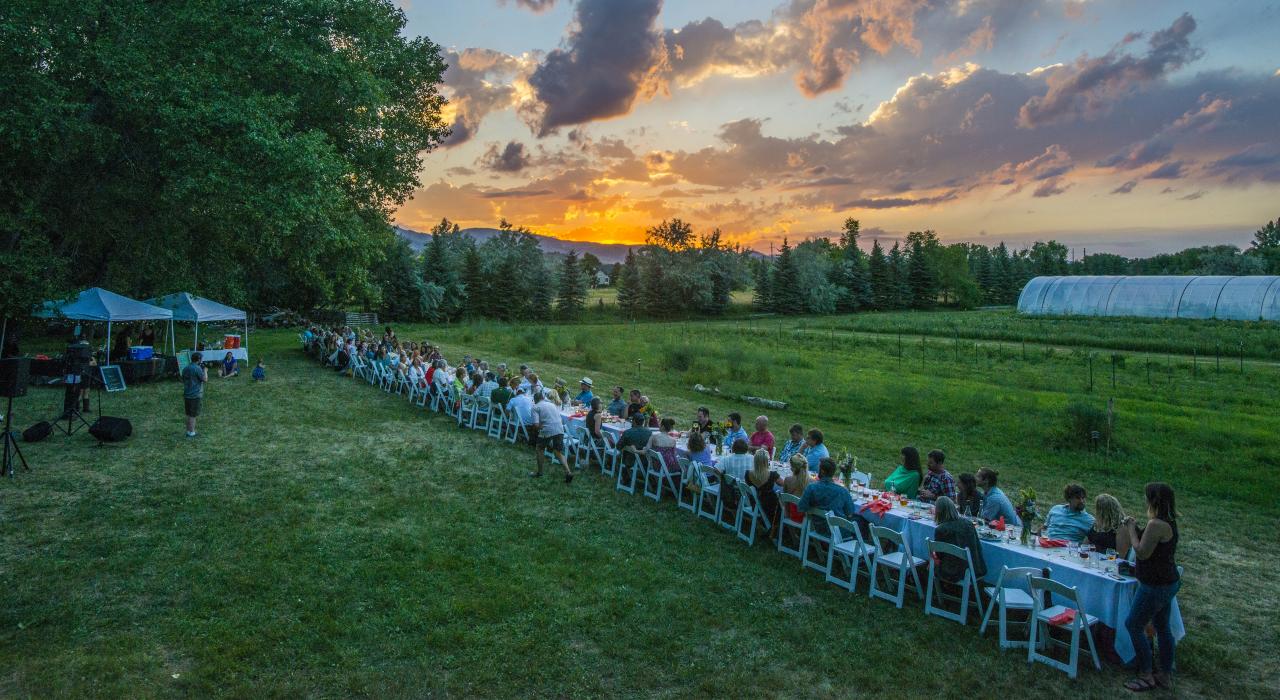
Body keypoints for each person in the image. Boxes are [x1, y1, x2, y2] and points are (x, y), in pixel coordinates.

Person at [1121, 483, 1181, 693]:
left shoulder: (1156, 524)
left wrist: (1130, 529)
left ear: (1153, 500)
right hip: (1168, 581)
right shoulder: (1169, 522)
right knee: (1162, 626)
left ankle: (1146, 673)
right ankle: (1164, 674)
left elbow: (1142, 552)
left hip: (1155, 585)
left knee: (1134, 624)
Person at [796, 458, 858, 534]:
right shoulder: (843, 491)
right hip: (837, 532)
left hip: (816, 528)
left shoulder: (811, 488)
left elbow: (801, 508)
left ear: (822, 471)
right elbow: (850, 513)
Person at [933, 496, 988, 582]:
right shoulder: (969, 524)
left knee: (932, 559)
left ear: (938, 511)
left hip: (952, 572)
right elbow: (977, 547)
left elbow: (939, 555)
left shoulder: (941, 530)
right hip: (974, 568)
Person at [530, 390, 573, 483]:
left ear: (535, 400)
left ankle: (540, 472)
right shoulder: (552, 405)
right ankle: (568, 471)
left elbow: (536, 425)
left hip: (547, 429)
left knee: (539, 448)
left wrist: (540, 429)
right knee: (558, 452)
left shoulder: (535, 407)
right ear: (543, 398)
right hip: (559, 429)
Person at [746, 448, 781, 534]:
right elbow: (784, 484)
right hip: (770, 505)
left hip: (754, 502)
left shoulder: (747, 473)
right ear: (766, 461)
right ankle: (776, 528)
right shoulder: (772, 475)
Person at [182, 352, 208, 438]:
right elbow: (204, 379)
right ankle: (192, 432)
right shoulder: (197, 368)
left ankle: (188, 431)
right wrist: (205, 371)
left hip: (187, 394)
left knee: (188, 414)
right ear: (199, 359)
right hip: (195, 395)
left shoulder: (186, 368)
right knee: (193, 415)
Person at [782, 454, 811, 524]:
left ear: (793, 468)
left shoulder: (788, 480)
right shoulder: (811, 483)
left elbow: (784, 501)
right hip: (806, 519)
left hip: (790, 515)